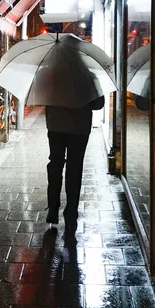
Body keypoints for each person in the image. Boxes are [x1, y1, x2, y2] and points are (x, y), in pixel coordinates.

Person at [45, 95, 105, 241]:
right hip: (79, 128)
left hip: (56, 126)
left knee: (55, 164)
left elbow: (43, 97)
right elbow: (98, 104)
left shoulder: (52, 73)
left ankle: (53, 208)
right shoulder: (89, 76)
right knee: (74, 168)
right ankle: (71, 212)